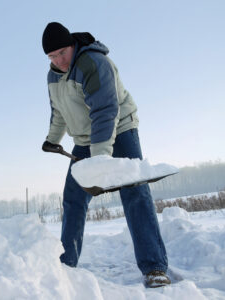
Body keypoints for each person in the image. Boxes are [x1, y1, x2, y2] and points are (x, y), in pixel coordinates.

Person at [41, 22, 171, 288]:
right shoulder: (53, 75)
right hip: (86, 139)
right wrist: (52, 140)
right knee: (74, 199)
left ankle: (154, 267)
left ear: (72, 45)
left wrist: (101, 160)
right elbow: (59, 112)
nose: (58, 61)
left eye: (62, 53)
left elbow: (105, 112)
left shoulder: (93, 62)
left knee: (134, 193)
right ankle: (66, 265)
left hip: (120, 128)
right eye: (52, 57)